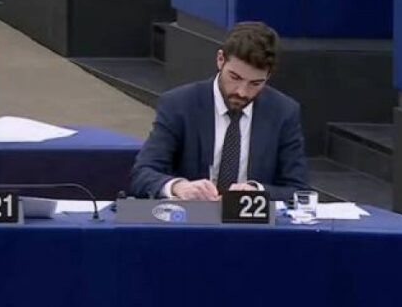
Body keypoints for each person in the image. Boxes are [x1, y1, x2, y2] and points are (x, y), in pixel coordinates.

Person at [130, 21, 310, 201]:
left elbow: (298, 189)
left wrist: (258, 191)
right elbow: (142, 173)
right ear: (220, 59)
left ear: (268, 76)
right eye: (235, 77)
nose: (242, 92)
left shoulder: (283, 112)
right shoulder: (179, 105)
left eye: (255, 83)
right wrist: (178, 187)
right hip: (192, 216)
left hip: (250, 218)